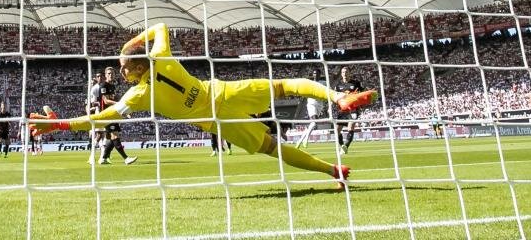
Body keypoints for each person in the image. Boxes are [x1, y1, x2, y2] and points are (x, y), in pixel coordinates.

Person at [30, 23, 377, 189]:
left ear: (134, 68)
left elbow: (102, 117)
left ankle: (333, 170)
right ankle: (337, 97)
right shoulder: (161, 56)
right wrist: (130, 44)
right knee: (285, 86)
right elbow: (160, 26)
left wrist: (61, 124)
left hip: (216, 119)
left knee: (273, 147)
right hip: (221, 92)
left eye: (123, 67)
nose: (121, 73)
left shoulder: (138, 95)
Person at [98, 66, 137, 165]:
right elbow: (106, 101)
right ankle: (126, 158)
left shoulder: (112, 86)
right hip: (107, 115)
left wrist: (124, 111)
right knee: (115, 135)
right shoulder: (104, 85)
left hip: (113, 113)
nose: (111, 75)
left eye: (112, 73)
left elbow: (114, 100)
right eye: (109, 73)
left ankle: (104, 158)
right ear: (105, 75)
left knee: (112, 138)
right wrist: (119, 104)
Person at [334, 66, 364, 155]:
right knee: (336, 130)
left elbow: (363, 95)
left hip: (353, 109)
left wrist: (361, 105)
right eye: (343, 72)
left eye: (346, 72)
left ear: (350, 73)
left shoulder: (356, 83)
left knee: (350, 127)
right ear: (341, 74)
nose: (345, 74)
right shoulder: (338, 86)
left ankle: (346, 146)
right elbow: (335, 97)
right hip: (342, 110)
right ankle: (342, 146)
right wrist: (330, 107)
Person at [296, 69, 326, 148]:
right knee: (314, 122)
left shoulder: (324, 83)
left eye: (317, 73)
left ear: (320, 74)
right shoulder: (310, 83)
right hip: (311, 104)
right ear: (313, 75)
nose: (316, 75)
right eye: (314, 73)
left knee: (312, 124)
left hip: (320, 105)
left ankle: (300, 140)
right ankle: (306, 139)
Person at [86, 71, 105, 164]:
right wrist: (103, 103)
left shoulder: (106, 86)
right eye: (98, 76)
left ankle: (102, 158)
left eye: (101, 76)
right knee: (99, 135)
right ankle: (92, 157)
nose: (99, 78)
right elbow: (92, 103)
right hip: (99, 114)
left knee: (104, 136)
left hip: (108, 113)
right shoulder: (95, 89)